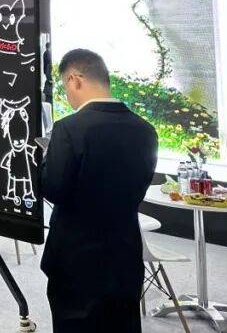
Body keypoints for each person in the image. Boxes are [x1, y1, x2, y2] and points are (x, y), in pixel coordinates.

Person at [40, 49, 158, 333]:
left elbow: (54, 188)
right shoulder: (145, 130)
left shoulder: (69, 129)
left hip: (76, 257)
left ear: (74, 79)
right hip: (126, 253)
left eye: (65, 87)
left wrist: (43, 162)